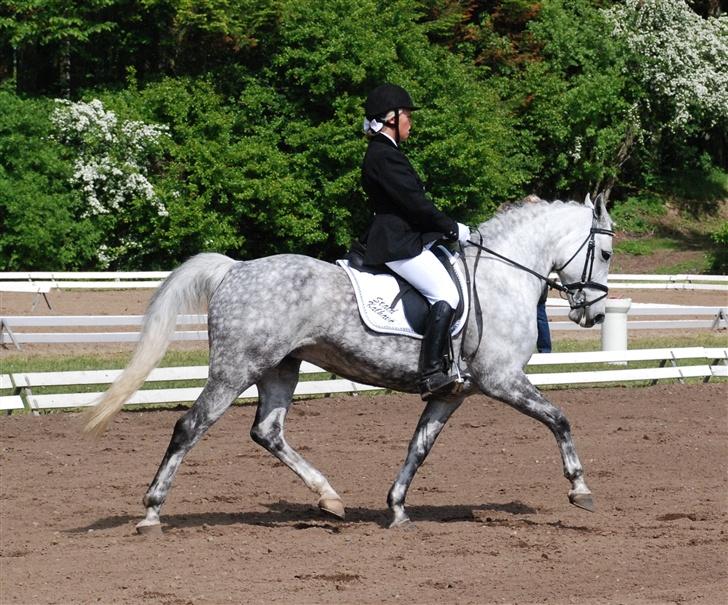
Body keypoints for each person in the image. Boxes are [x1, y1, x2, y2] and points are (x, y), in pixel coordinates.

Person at [358, 83, 470, 399]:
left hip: (407, 237)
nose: (410, 120)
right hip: (397, 241)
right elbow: (414, 204)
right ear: (391, 117)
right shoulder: (384, 155)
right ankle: (431, 373)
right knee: (445, 293)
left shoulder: (387, 153)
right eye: (406, 114)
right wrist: (451, 228)